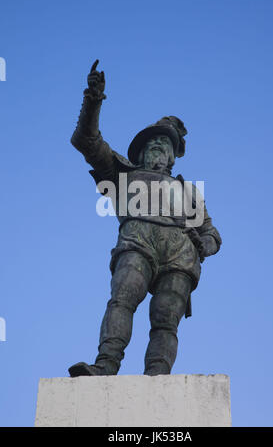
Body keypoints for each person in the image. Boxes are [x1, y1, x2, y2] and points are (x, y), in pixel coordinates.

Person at [68, 61, 222, 377]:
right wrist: (93, 101)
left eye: (163, 144)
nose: (156, 146)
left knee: (166, 319)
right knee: (122, 299)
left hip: (180, 254)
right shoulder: (122, 173)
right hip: (137, 242)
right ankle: (105, 365)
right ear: (138, 154)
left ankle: (158, 377)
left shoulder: (189, 192)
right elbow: (86, 141)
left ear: (172, 154)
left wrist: (204, 245)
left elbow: (213, 234)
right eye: (151, 143)